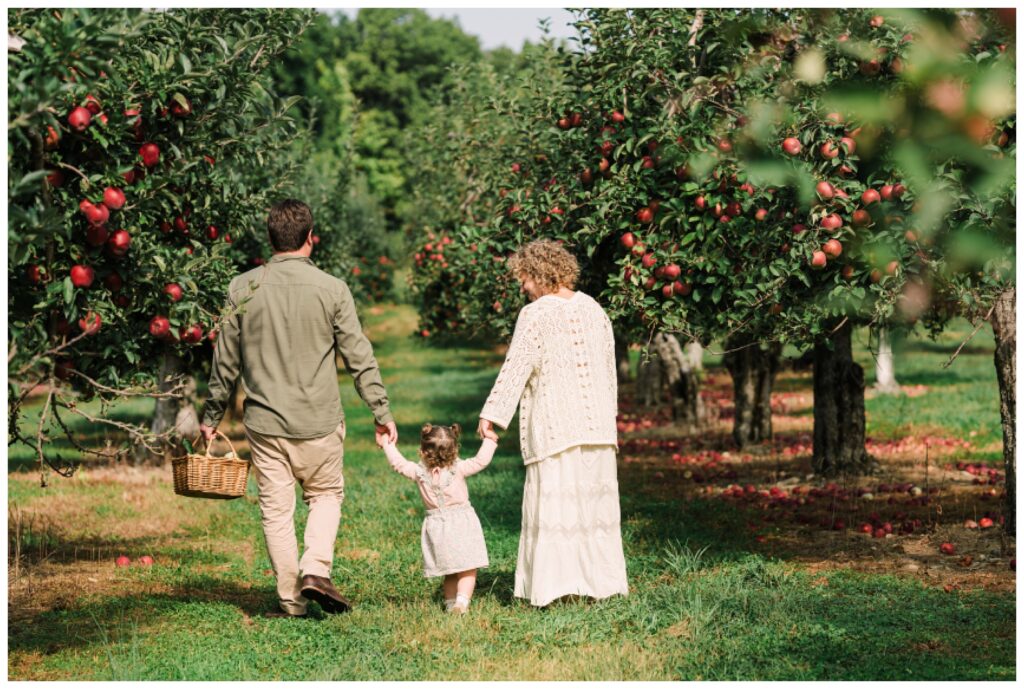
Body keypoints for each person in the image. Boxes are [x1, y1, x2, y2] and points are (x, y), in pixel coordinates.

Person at [198, 198, 397, 618]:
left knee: (276, 510)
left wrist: (212, 415)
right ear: (311, 239)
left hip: (266, 424)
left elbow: (225, 362)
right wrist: (381, 411)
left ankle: (292, 601)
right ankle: (315, 567)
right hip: (319, 421)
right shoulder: (333, 289)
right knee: (325, 495)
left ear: (270, 239)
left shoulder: (242, 288)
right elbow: (358, 356)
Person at [477, 239, 628, 607]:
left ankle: (551, 589)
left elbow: (517, 366)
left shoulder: (537, 314)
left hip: (556, 425)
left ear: (541, 274)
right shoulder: (595, 309)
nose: (523, 288)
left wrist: (491, 414)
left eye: (524, 279)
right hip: (597, 430)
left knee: (557, 507)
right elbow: (610, 371)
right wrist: (608, 418)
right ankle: (601, 585)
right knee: (593, 509)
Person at [379, 423, 498, 614]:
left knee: (449, 569)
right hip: (462, 523)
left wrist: (387, 443)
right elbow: (480, 461)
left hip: (437, 527)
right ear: (454, 448)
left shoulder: (419, 472)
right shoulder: (459, 468)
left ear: (423, 450)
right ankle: (462, 602)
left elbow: (398, 463)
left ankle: (450, 604)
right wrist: (490, 439)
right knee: (467, 567)